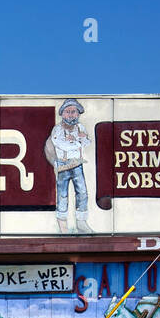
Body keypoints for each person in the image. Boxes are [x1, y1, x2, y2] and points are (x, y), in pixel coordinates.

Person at [44, 98, 93, 234]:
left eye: (74, 111)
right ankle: (62, 226)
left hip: (77, 164)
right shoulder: (58, 129)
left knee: (82, 192)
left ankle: (81, 223)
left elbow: (87, 141)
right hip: (63, 165)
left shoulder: (80, 127)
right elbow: (60, 144)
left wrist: (77, 139)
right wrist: (78, 140)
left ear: (78, 114)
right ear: (62, 114)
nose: (71, 114)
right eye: (68, 111)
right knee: (62, 195)